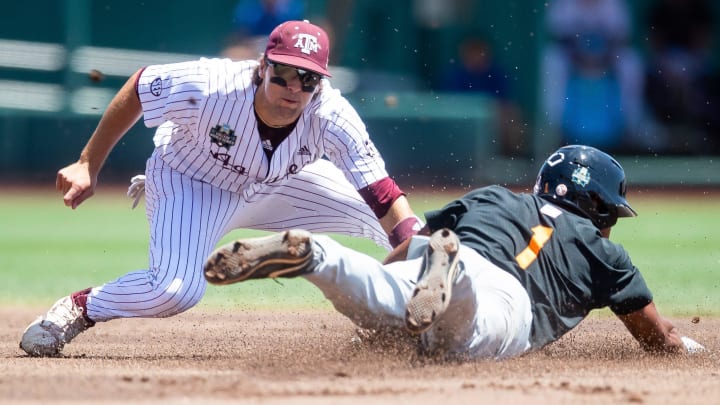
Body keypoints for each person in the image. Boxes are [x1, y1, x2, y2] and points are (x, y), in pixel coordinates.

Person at [19, 20, 423, 357]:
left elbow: (385, 196)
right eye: (284, 72)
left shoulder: (332, 114)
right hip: (194, 181)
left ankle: (412, 315)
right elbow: (142, 86)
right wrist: (88, 163)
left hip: (276, 184)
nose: (294, 87)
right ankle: (77, 309)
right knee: (174, 290)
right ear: (264, 66)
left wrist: (415, 246)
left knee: (393, 225)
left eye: (308, 78)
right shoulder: (213, 84)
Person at [201, 145, 706, 360]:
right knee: (460, 340)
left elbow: (403, 249)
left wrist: (377, 321)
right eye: (611, 214)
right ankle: (451, 278)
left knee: (387, 299)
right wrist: (689, 351)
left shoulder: (495, 196)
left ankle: (317, 256)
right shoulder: (604, 254)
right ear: (596, 206)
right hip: (510, 302)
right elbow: (657, 338)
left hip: (442, 252)